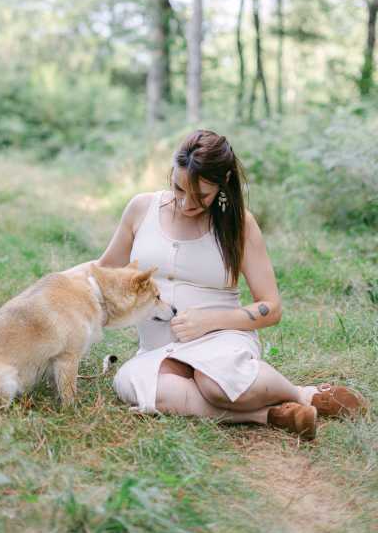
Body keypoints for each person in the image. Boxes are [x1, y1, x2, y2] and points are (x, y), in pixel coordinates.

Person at [75, 130, 368, 440]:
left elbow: (271, 307)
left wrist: (209, 321)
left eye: (201, 195)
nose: (187, 203)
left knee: (215, 383)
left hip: (223, 339)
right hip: (157, 351)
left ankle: (303, 395)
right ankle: (271, 416)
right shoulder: (141, 209)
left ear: (223, 182)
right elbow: (104, 269)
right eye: (178, 188)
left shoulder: (239, 224)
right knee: (136, 384)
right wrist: (56, 285)